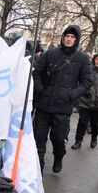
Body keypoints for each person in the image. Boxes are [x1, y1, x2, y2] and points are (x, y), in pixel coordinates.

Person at [32, 25, 92, 173]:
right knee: (39, 138)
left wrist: (71, 94)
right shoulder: (50, 53)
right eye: (67, 36)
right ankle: (39, 167)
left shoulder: (82, 59)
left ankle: (59, 157)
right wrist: (40, 89)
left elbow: (86, 82)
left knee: (58, 139)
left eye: (72, 37)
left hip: (63, 107)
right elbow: (36, 73)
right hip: (44, 104)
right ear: (63, 37)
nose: (69, 39)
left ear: (76, 39)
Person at [71, 52, 98, 150]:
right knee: (82, 122)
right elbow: (82, 82)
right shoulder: (88, 69)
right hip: (85, 101)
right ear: (93, 60)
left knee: (96, 124)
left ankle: (94, 138)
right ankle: (78, 141)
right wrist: (85, 92)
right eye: (97, 59)